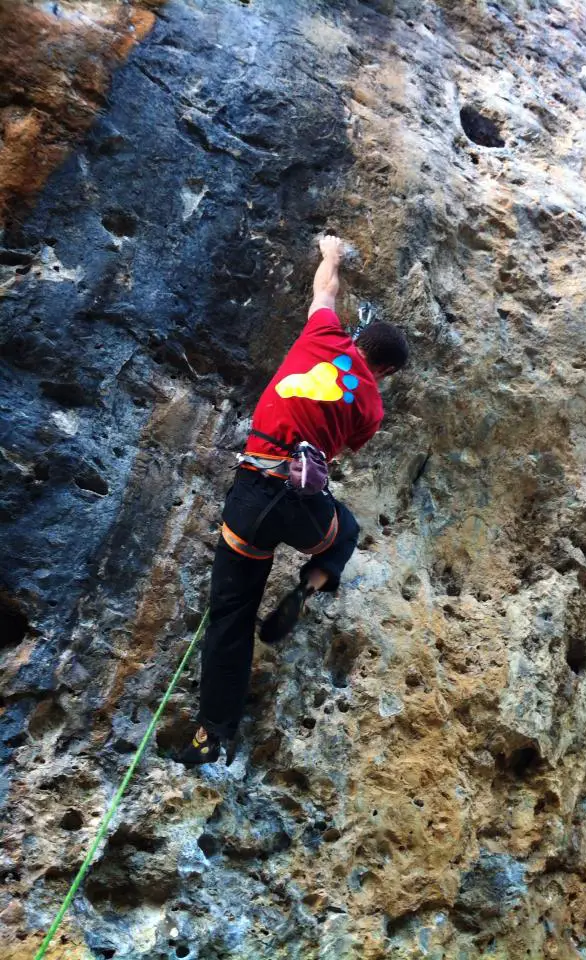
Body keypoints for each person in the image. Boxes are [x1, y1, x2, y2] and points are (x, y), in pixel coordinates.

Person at [179, 236, 409, 765]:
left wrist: (330, 253)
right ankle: (311, 582)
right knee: (345, 529)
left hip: (250, 494)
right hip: (299, 504)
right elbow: (339, 451)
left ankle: (210, 734)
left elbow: (324, 291)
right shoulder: (372, 405)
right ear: (388, 371)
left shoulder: (323, 333)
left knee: (229, 618)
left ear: (358, 338)